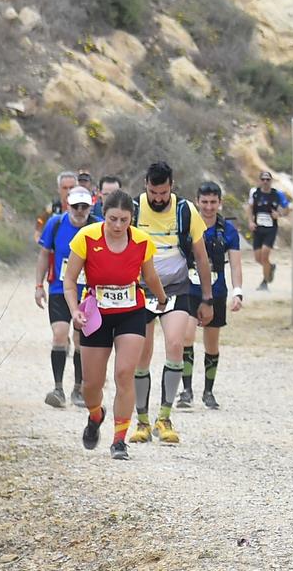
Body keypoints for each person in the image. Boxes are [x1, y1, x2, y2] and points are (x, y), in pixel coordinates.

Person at [61, 190, 167, 460]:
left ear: (132, 218)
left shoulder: (142, 241)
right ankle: (96, 415)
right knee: (90, 385)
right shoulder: (86, 238)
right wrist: (74, 310)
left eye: (124, 220)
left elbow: (150, 276)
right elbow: (70, 280)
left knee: (124, 373)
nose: (118, 226)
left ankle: (119, 440)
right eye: (112, 220)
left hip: (131, 311)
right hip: (96, 314)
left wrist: (163, 298)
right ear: (103, 216)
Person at [129, 162, 208, 445]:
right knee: (142, 352)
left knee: (175, 344)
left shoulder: (186, 211)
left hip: (177, 288)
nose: (158, 198)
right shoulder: (135, 208)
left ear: (172, 186)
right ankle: (141, 421)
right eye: (153, 192)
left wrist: (207, 298)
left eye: (163, 192)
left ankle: (164, 417)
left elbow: (200, 256)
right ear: (145, 186)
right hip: (140, 289)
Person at [179, 182, 244, 410]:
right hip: (189, 289)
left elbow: (235, 264)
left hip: (216, 291)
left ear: (220, 203)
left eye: (213, 202)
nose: (208, 207)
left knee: (211, 342)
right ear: (197, 201)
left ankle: (208, 390)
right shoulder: (186, 226)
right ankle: (186, 390)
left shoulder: (228, 231)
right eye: (204, 202)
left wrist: (238, 292)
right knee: (186, 337)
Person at [35, 187, 95, 407]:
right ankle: (58, 388)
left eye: (84, 206)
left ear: (91, 206)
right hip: (60, 289)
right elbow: (44, 255)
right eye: (75, 206)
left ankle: (78, 390)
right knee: (60, 334)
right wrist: (38, 285)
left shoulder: (98, 225)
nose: (80, 211)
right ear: (67, 205)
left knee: (80, 339)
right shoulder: (56, 223)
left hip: (87, 292)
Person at [249, 170, 291, 291]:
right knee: (258, 258)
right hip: (258, 229)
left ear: (271, 181)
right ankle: (270, 268)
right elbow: (249, 208)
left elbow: (287, 209)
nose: (265, 182)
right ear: (260, 181)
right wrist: (250, 222)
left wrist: (279, 214)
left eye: (268, 179)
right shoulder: (254, 193)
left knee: (264, 256)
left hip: (270, 229)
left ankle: (264, 283)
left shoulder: (277, 194)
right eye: (263, 179)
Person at [34, 170, 75, 245]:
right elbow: (40, 220)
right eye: (65, 188)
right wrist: (37, 235)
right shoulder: (53, 206)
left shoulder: (83, 208)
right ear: (59, 190)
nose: (69, 191)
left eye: (71, 187)